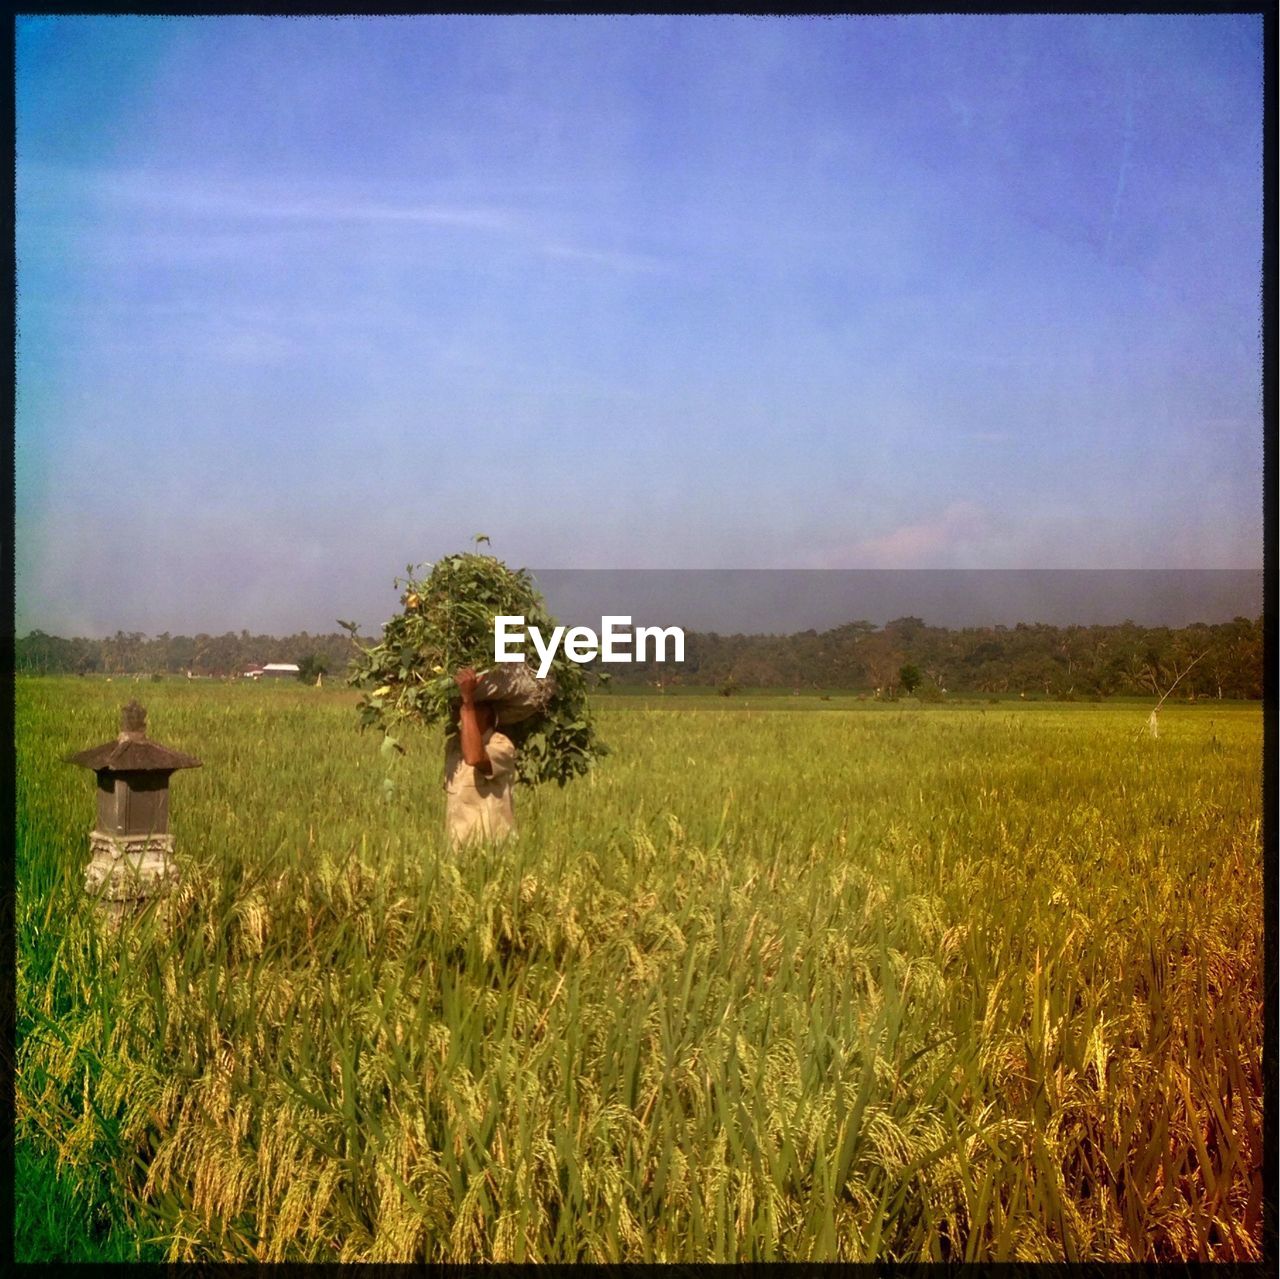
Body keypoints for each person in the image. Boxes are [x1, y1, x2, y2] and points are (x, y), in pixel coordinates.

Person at [444, 667, 518, 846]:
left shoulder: (502, 745)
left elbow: (475, 758)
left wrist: (468, 701)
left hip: (493, 853)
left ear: (489, 715)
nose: (462, 714)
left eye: (472, 710)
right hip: (457, 852)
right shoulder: (454, 746)